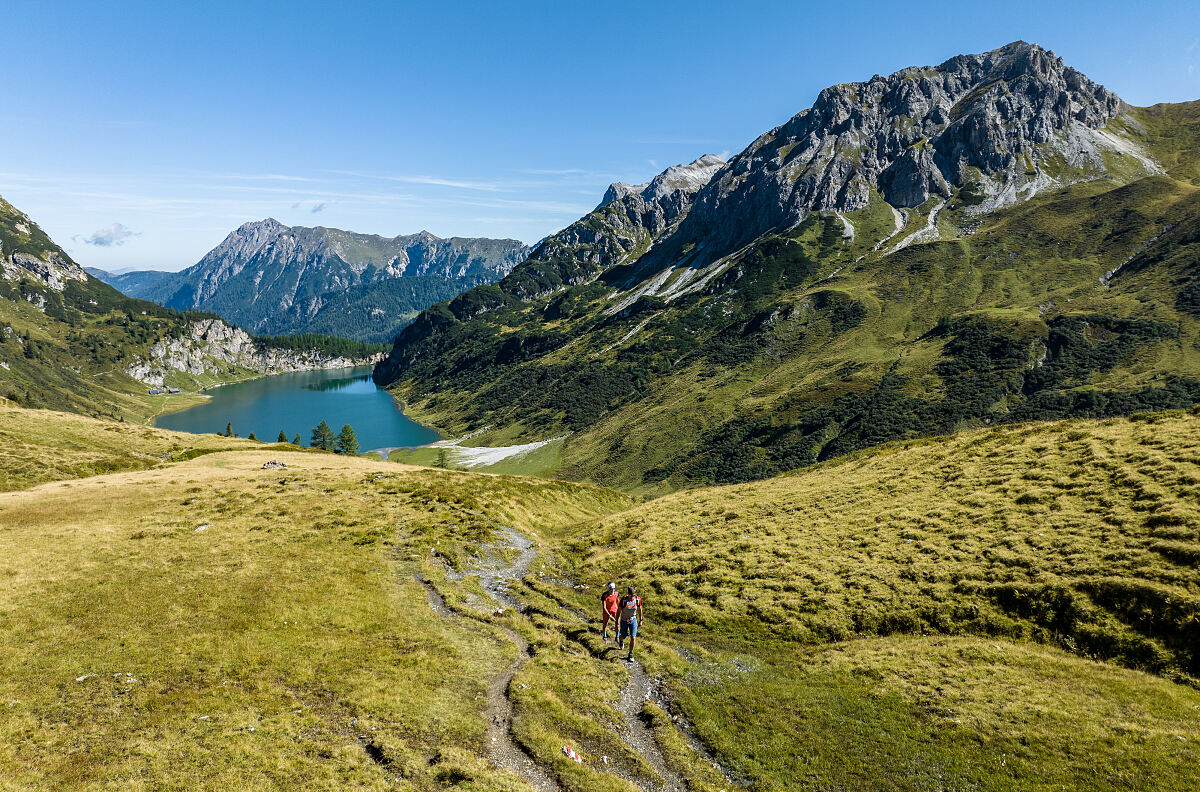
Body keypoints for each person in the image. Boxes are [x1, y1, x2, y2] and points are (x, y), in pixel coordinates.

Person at [617, 585, 643, 662]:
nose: (632, 597)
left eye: (633, 595)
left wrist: (641, 620)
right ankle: (621, 640)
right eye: (630, 595)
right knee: (623, 636)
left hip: (633, 620)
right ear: (628, 594)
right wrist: (617, 623)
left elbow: (640, 609)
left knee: (633, 637)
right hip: (624, 620)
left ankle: (630, 654)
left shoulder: (638, 600)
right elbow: (619, 611)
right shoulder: (624, 600)